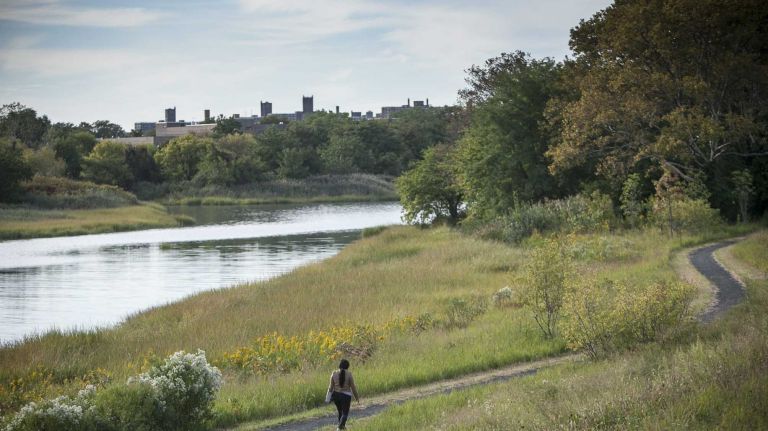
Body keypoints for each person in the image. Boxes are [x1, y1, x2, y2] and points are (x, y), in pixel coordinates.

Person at [327, 358, 360, 429]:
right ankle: (339, 428)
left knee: (340, 412)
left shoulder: (334, 373)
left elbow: (330, 387)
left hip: (336, 396)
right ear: (347, 366)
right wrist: (357, 398)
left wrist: (327, 398)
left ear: (339, 365)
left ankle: (342, 427)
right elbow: (353, 388)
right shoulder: (349, 374)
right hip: (346, 396)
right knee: (345, 413)